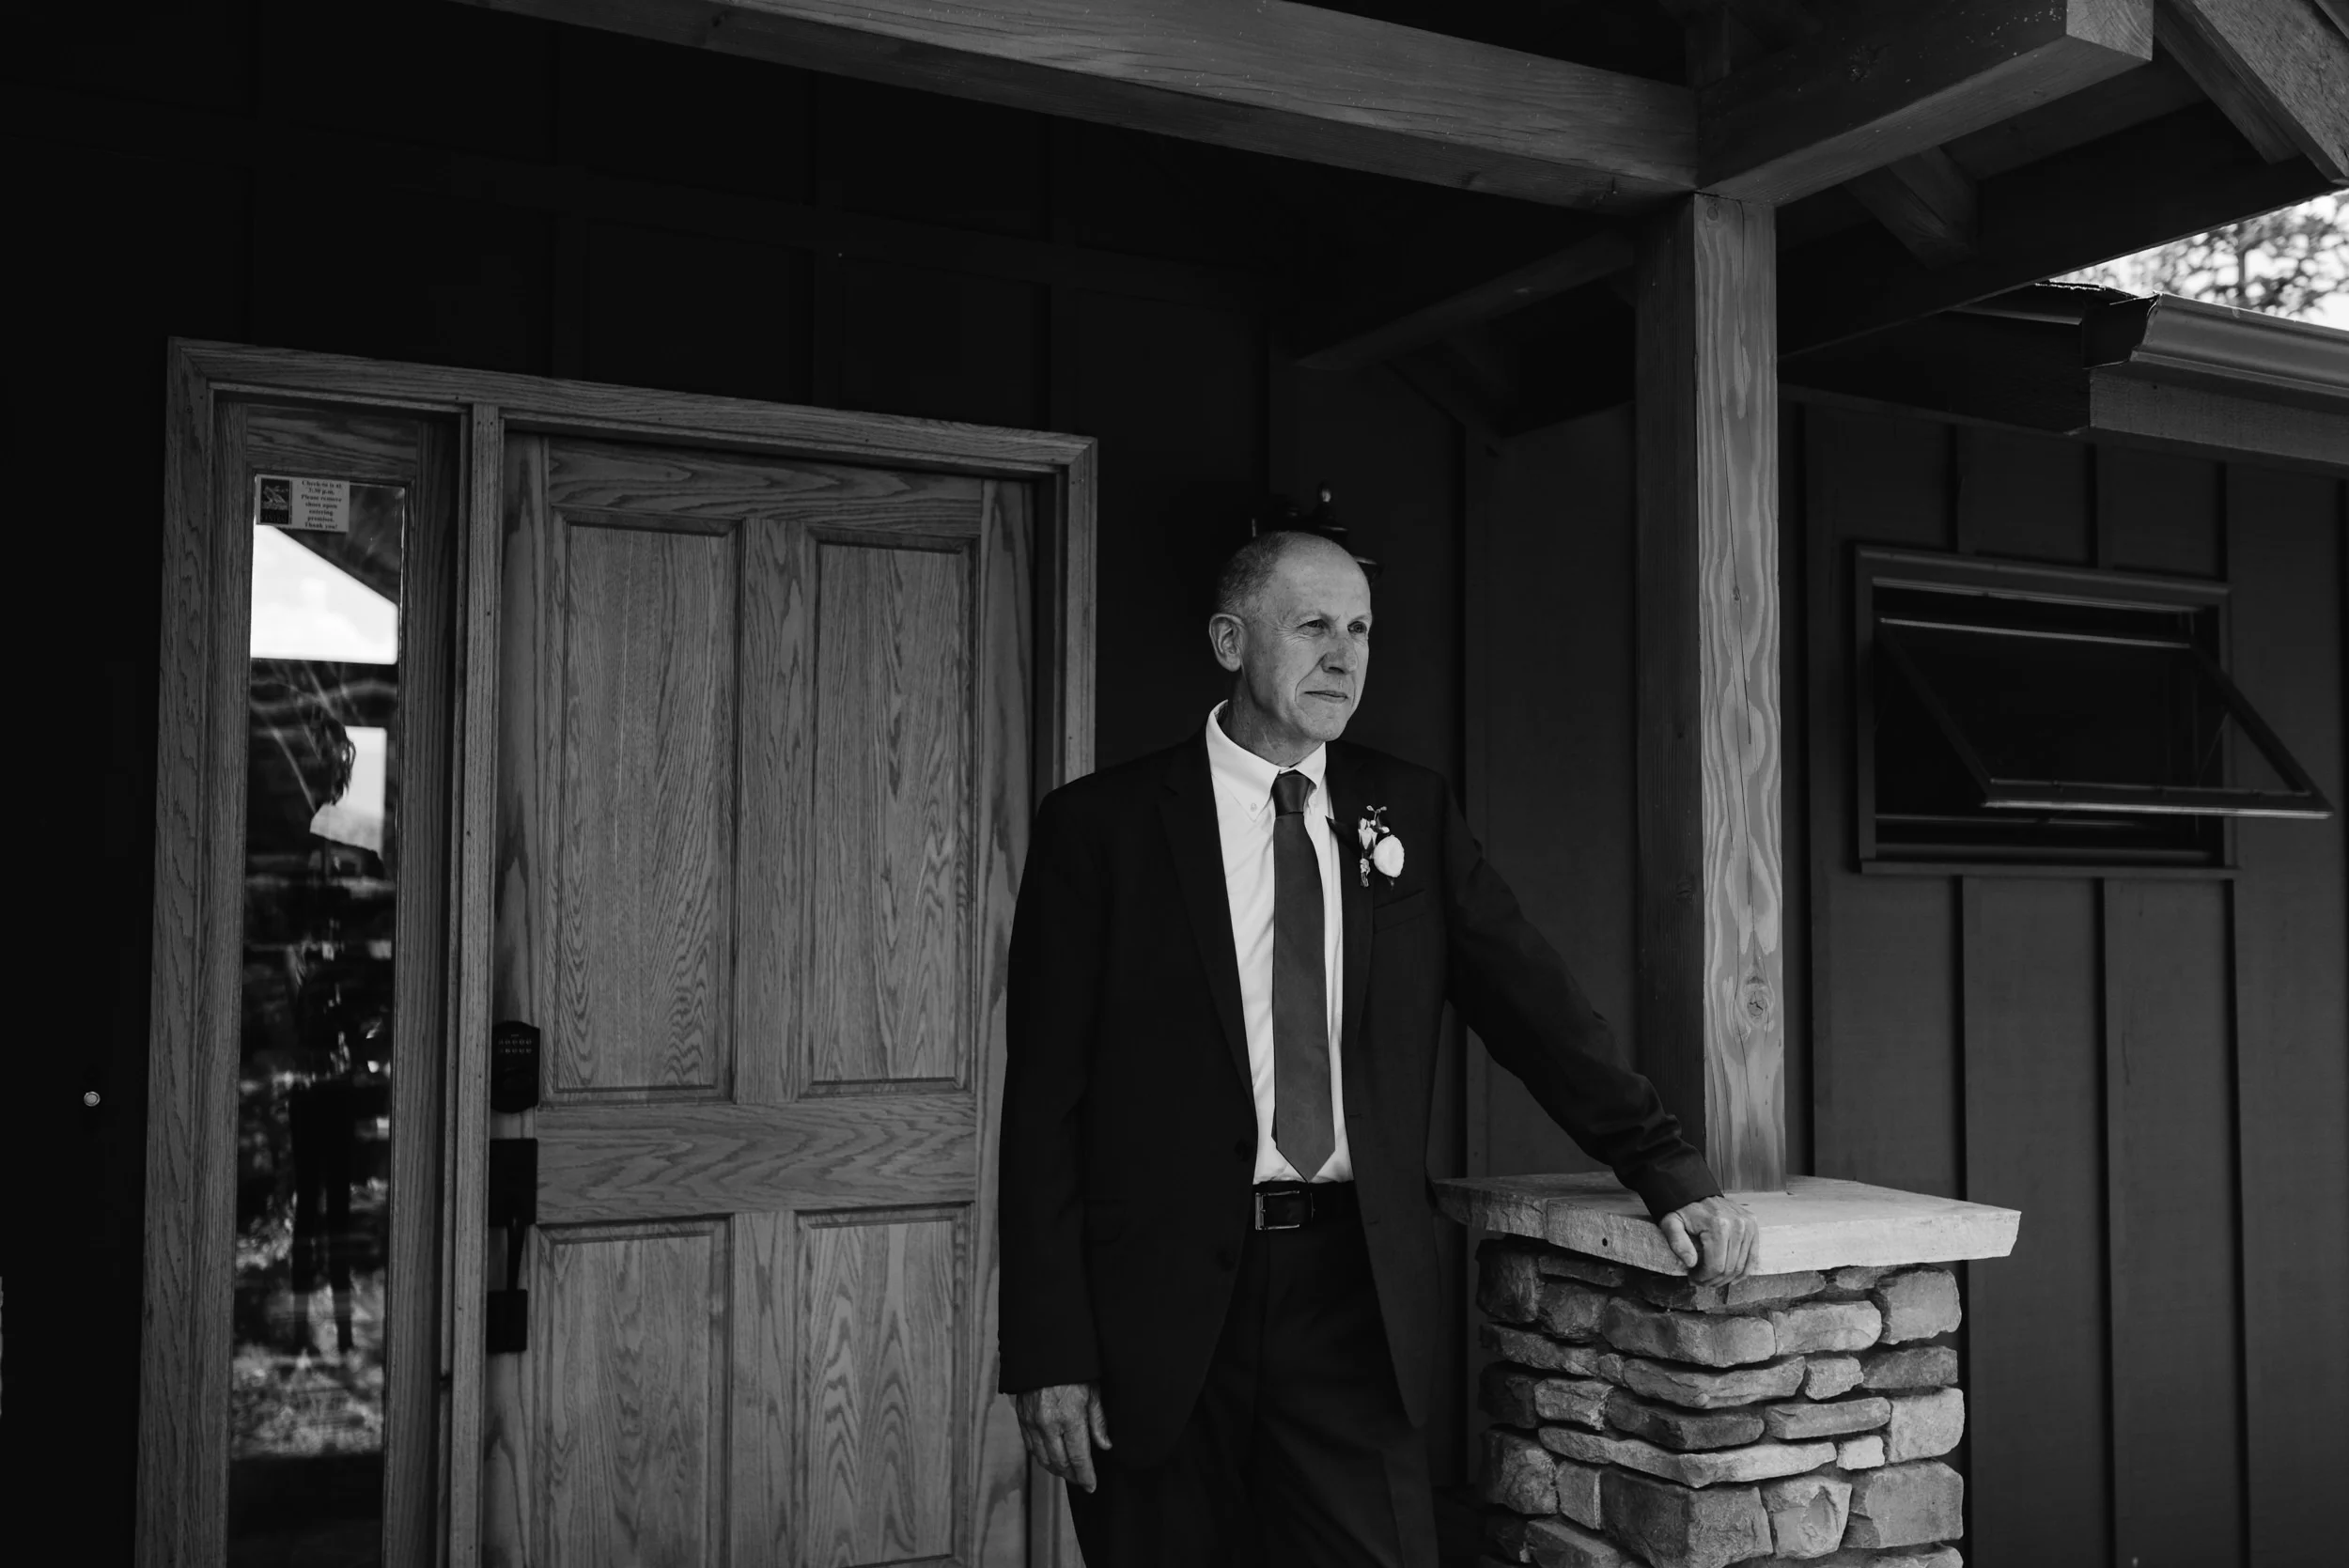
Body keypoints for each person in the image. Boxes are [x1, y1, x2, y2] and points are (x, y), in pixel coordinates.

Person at [999, 528, 1757, 1566]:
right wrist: (1049, 1347)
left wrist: (1663, 1164)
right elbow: (1045, 1103)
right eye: (1313, 625)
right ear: (1230, 640)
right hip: (1155, 1315)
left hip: (1350, 1294)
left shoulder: (1408, 809)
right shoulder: (1100, 827)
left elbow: (1534, 1007)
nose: (1344, 655)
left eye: (1359, 629)